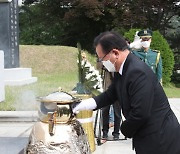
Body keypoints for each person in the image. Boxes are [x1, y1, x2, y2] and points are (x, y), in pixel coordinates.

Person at [73, 31, 180, 154]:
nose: (101, 63)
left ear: (115, 53)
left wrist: (123, 129)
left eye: (102, 58)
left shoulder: (137, 71)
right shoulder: (123, 68)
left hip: (161, 139)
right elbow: (110, 94)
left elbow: (140, 113)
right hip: (149, 137)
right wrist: (84, 105)